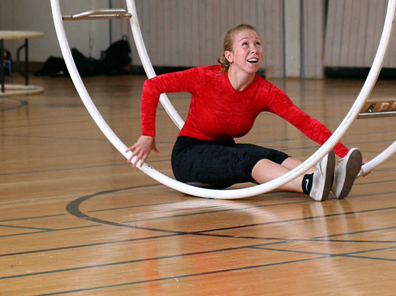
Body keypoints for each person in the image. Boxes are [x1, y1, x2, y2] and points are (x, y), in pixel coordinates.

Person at [127, 24, 363, 200]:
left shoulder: (266, 91)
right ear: (229, 56)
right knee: (250, 158)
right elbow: (152, 86)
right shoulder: (206, 77)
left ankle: (332, 179)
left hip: (224, 152)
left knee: (272, 155)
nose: (254, 49)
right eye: (246, 44)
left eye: (258, 43)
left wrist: (343, 153)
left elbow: (306, 123)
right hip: (190, 157)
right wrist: (148, 134)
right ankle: (310, 184)